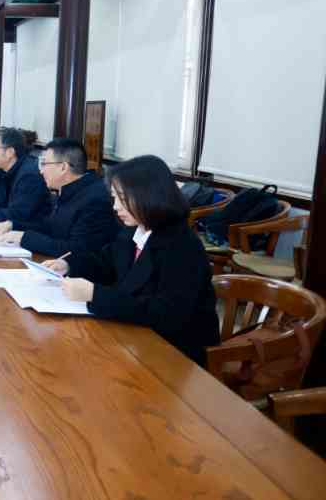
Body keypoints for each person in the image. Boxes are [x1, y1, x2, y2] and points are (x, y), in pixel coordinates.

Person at [43, 155, 220, 365]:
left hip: (172, 353)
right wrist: (69, 264)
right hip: (133, 335)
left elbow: (167, 314)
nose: (115, 207)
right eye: (114, 198)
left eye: (123, 199)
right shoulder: (134, 231)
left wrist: (95, 295)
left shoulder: (182, 246)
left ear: (149, 196)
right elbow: (105, 264)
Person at [0, 138, 120, 257]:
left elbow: (77, 249)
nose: (41, 171)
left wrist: (24, 238)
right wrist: (12, 225)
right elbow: (50, 226)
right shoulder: (69, 189)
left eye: (44, 164)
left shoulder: (95, 199)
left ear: (63, 167)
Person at [0, 128, 50, 227]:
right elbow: (0, 200)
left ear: (10, 152)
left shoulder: (29, 175)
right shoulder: (3, 170)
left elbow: (16, 215)